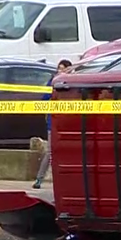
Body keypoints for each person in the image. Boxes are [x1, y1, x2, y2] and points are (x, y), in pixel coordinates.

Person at [33, 59, 72, 189]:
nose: (61, 71)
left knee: (67, 151)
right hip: (54, 122)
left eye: (63, 69)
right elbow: (44, 100)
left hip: (68, 122)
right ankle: (39, 179)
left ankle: (66, 179)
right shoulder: (53, 83)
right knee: (50, 152)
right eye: (59, 68)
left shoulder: (73, 83)